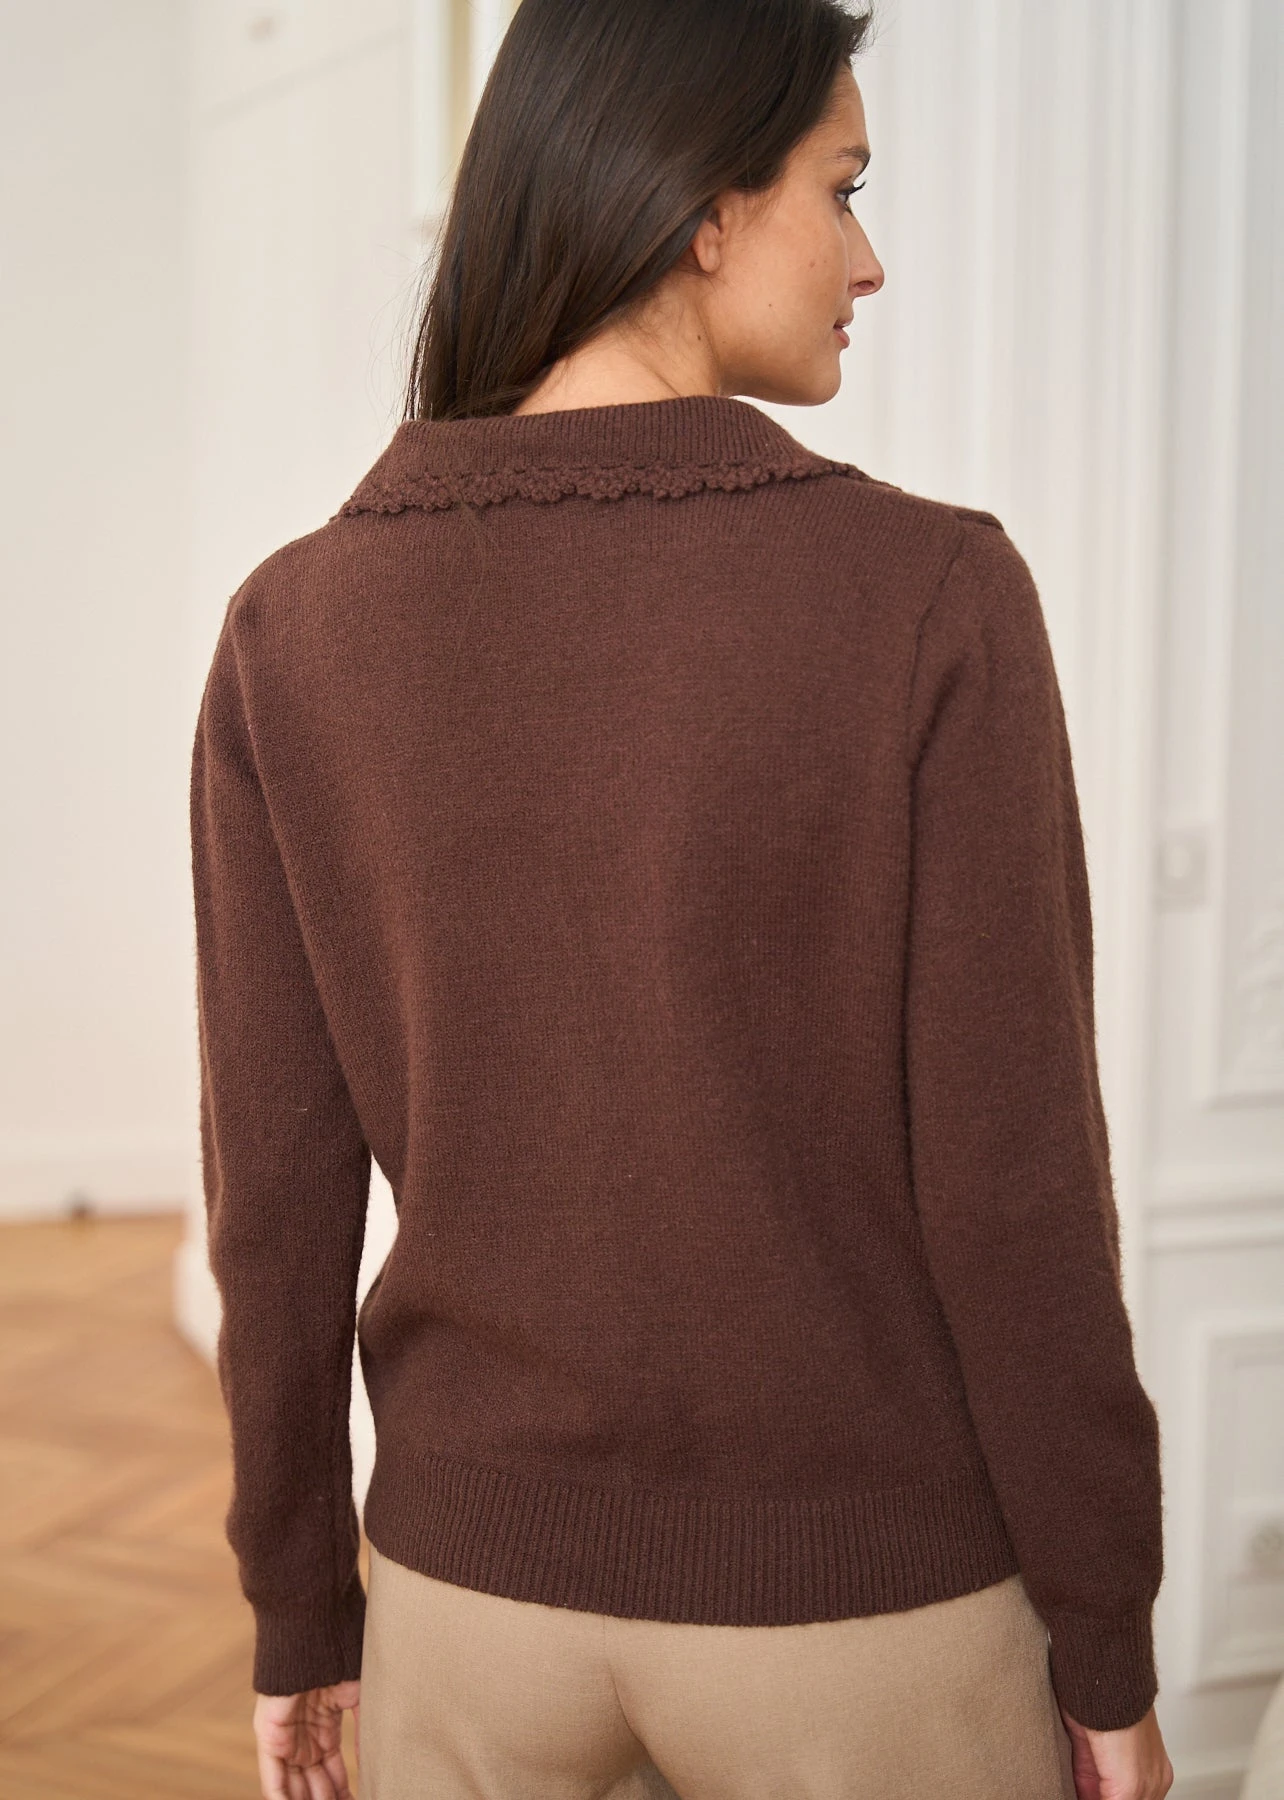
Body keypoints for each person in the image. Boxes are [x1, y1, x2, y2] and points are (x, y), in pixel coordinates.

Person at [188, 1, 1175, 1796]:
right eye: (843, 188)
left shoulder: (293, 629)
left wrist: (298, 1609)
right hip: (856, 1607)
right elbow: (1015, 1185)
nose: (869, 259)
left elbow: (275, 1201)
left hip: (466, 1608)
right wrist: (1104, 1635)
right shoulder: (932, 598)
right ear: (705, 209)